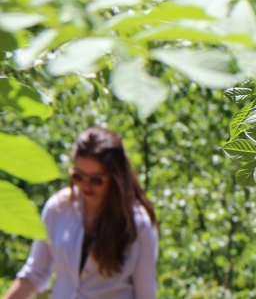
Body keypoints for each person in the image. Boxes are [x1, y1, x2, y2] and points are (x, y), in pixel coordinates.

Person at [4, 127, 158, 299]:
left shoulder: (137, 223)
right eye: (78, 176)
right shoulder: (58, 208)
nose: (86, 186)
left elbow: (146, 294)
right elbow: (35, 274)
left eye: (96, 180)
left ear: (116, 178)